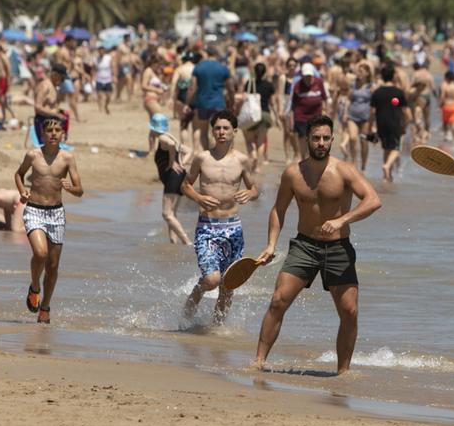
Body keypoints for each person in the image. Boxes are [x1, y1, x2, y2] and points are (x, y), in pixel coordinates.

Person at [253, 115, 381, 374]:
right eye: (316, 138)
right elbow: (279, 210)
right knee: (278, 300)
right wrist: (270, 244)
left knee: (350, 311)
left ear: (332, 139)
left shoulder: (344, 170)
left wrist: (342, 219)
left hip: (338, 247)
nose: (321, 143)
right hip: (304, 246)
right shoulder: (292, 173)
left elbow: (373, 200)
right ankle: (258, 362)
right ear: (307, 140)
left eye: (325, 138)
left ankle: (343, 372)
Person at [181, 111, 259, 324]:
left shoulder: (242, 160)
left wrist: (250, 194)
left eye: (226, 128)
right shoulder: (202, 158)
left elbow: (255, 188)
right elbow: (185, 185)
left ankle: (217, 330)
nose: (221, 132)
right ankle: (195, 295)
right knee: (212, 279)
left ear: (234, 131)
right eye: (217, 128)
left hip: (233, 228)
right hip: (207, 227)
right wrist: (199, 197)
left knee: (228, 285)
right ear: (212, 131)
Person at [14, 118, 84, 324]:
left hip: (56, 213)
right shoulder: (33, 155)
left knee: (53, 266)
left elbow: (80, 190)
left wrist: (71, 188)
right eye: (49, 130)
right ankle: (35, 287)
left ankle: (45, 307)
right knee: (40, 253)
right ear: (42, 134)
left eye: (57, 130)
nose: (54, 133)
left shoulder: (68, 158)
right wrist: (22, 192)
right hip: (34, 210)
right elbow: (18, 174)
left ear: (63, 134)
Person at [150, 114, 192, 245]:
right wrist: (182, 163)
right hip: (177, 177)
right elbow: (189, 151)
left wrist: (173, 162)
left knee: (166, 214)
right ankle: (173, 242)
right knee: (172, 213)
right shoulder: (168, 135)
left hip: (173, 178)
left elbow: (172, 145)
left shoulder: (163, 138)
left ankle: (187, 243)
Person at [368, 64, 411, 183]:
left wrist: (371, 126)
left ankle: (387, 177)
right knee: (396, 149)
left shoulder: (377, 92)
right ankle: (387, 167)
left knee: (387, 149)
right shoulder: (398, 92)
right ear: (393, 77)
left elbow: (372, 112)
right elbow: (407, 113)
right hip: (395, 124)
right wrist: (405, 125)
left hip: (381, 124)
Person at [186, 47, 233, 151]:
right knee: (216, 132)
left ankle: (207, 155)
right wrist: (232, 103)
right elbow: (231, 88)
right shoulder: (223, 68)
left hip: (202, 104)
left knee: (203, 132)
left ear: (207, 54)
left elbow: (192, 87)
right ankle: (216, 156)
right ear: (216, 55)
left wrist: (187, 103)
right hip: (219, 104)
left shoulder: (198, 67)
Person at [288, 63, 328, 160]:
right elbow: (293, 104)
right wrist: (291, 120)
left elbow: (324, 98)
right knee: (303, 138)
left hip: (316, 116)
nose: (308, 79)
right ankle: (304, 158)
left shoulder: (319, 82)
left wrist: (326, 111)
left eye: (309, 76)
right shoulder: (298, 85)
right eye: (306, 76)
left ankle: (313, 158)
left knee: (316, 137)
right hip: (301, 116)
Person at [243, 63, 277, 173]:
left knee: (249, 140)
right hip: (265, 114)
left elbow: (244, 98)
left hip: (252, 115)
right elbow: (272, 103)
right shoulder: (269, 85)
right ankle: (257, 166)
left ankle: (253, 155)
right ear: (265, 72)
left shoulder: (249, 83)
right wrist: (276, 115)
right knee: (261, 141)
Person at [345, 63, 373, 170]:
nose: (359, 73)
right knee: (352, 138)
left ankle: (364, 166)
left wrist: (373, 120)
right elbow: (348, 98)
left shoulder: (371, 86)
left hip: (366, 118)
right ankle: (354, 162)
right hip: (352, 115)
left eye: (361, 71)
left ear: (367, 73)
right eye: (358, 71)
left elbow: (374, 103)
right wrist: (345, 113)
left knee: (364, 141)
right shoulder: (353, 84)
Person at [411, 62, 435, 137]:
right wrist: (438, 99)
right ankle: (427, 133)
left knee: (417, 115)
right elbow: (433, 89)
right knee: (427, 117)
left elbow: (411, 85)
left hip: (420, 96)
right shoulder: (429, 75)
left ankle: (419, 133)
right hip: (427, 96)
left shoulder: (416, 74)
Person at [439, 71, 454, 142]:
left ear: (447, 79)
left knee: (445, 122)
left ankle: (446, 136)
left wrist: (440, 106)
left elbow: (442, 97)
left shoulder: (446, 87)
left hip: (446, 106)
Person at [93, 45, 116, 115]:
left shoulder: (108, 58)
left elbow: (112, 67)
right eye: (99, 51)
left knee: (109, 96)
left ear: (104, 51)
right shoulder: (96, 59)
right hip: (99, 79)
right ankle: (100, 109)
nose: (101, 52)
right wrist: (93, 77)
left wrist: (114, 76)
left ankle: (106, 105)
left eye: (102, 51)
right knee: (99, 95)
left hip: (108, 79)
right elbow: (94, 69)